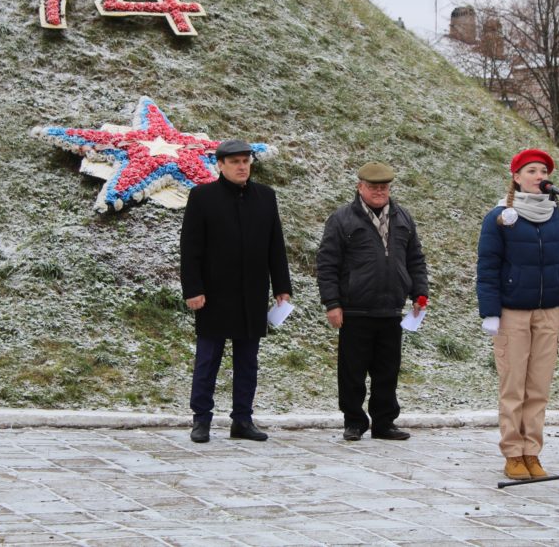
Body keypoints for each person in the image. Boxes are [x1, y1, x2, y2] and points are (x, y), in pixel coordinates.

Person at [476, 148, 559, 480]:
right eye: (532, 171)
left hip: (547, 313)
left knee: (538, 387)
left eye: (543, 172)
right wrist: (490, 312)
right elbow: (488, 268)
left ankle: (532, 452)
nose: (539, 177)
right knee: (514, 387)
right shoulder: (500, 217)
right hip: (512, 315)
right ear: (517, 177)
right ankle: (512, 453)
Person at [180, 139, 292, 444]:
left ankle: (242, 419)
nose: (242, 167)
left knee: (247, 361)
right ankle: (201, 419)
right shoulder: (202, 197)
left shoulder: (265, 197)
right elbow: (190, 249)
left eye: (246, 161)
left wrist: (282, 286)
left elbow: (275, 245)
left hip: (252, 293)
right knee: (208, 359)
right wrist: (193, 288)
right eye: (235, 162)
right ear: (220, 165)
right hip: (213, 294)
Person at [316, 161, 429, 442]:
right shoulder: (342, 219)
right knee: (352, 371)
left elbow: (415, 259)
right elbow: (327, 264)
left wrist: (420, 292)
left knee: (387, 370)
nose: (379, 192)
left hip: (392, 308)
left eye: (384, 187)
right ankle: (354, 421)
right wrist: (332, 303)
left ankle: (384, 422)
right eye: (373, 187)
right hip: (354, 309)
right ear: (360, 187)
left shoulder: (403, 217)